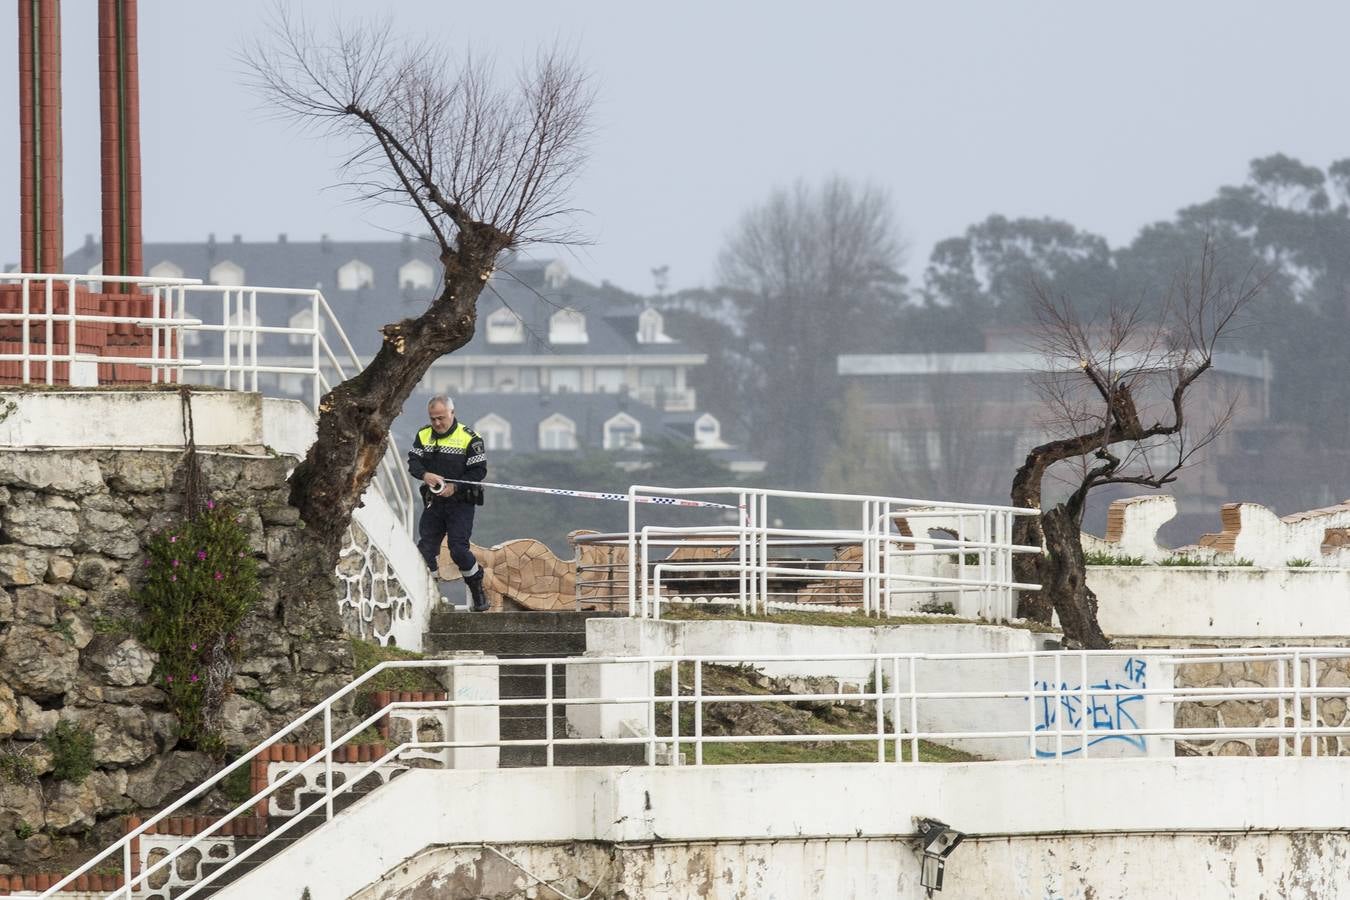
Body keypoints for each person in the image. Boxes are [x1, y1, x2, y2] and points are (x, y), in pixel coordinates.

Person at [408, 395, 489, 611]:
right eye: (433, 418)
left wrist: (455, 487)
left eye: (441, 418)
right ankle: (431, 593)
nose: (436, 423)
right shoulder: (423, 435)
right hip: (434, 502)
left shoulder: (470, 437)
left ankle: (477, 588)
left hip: (461, 502)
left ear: (452, 413)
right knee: (425, 549)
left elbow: (479, 471)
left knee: (458, 550)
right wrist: (425, 475)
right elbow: (413, 462)